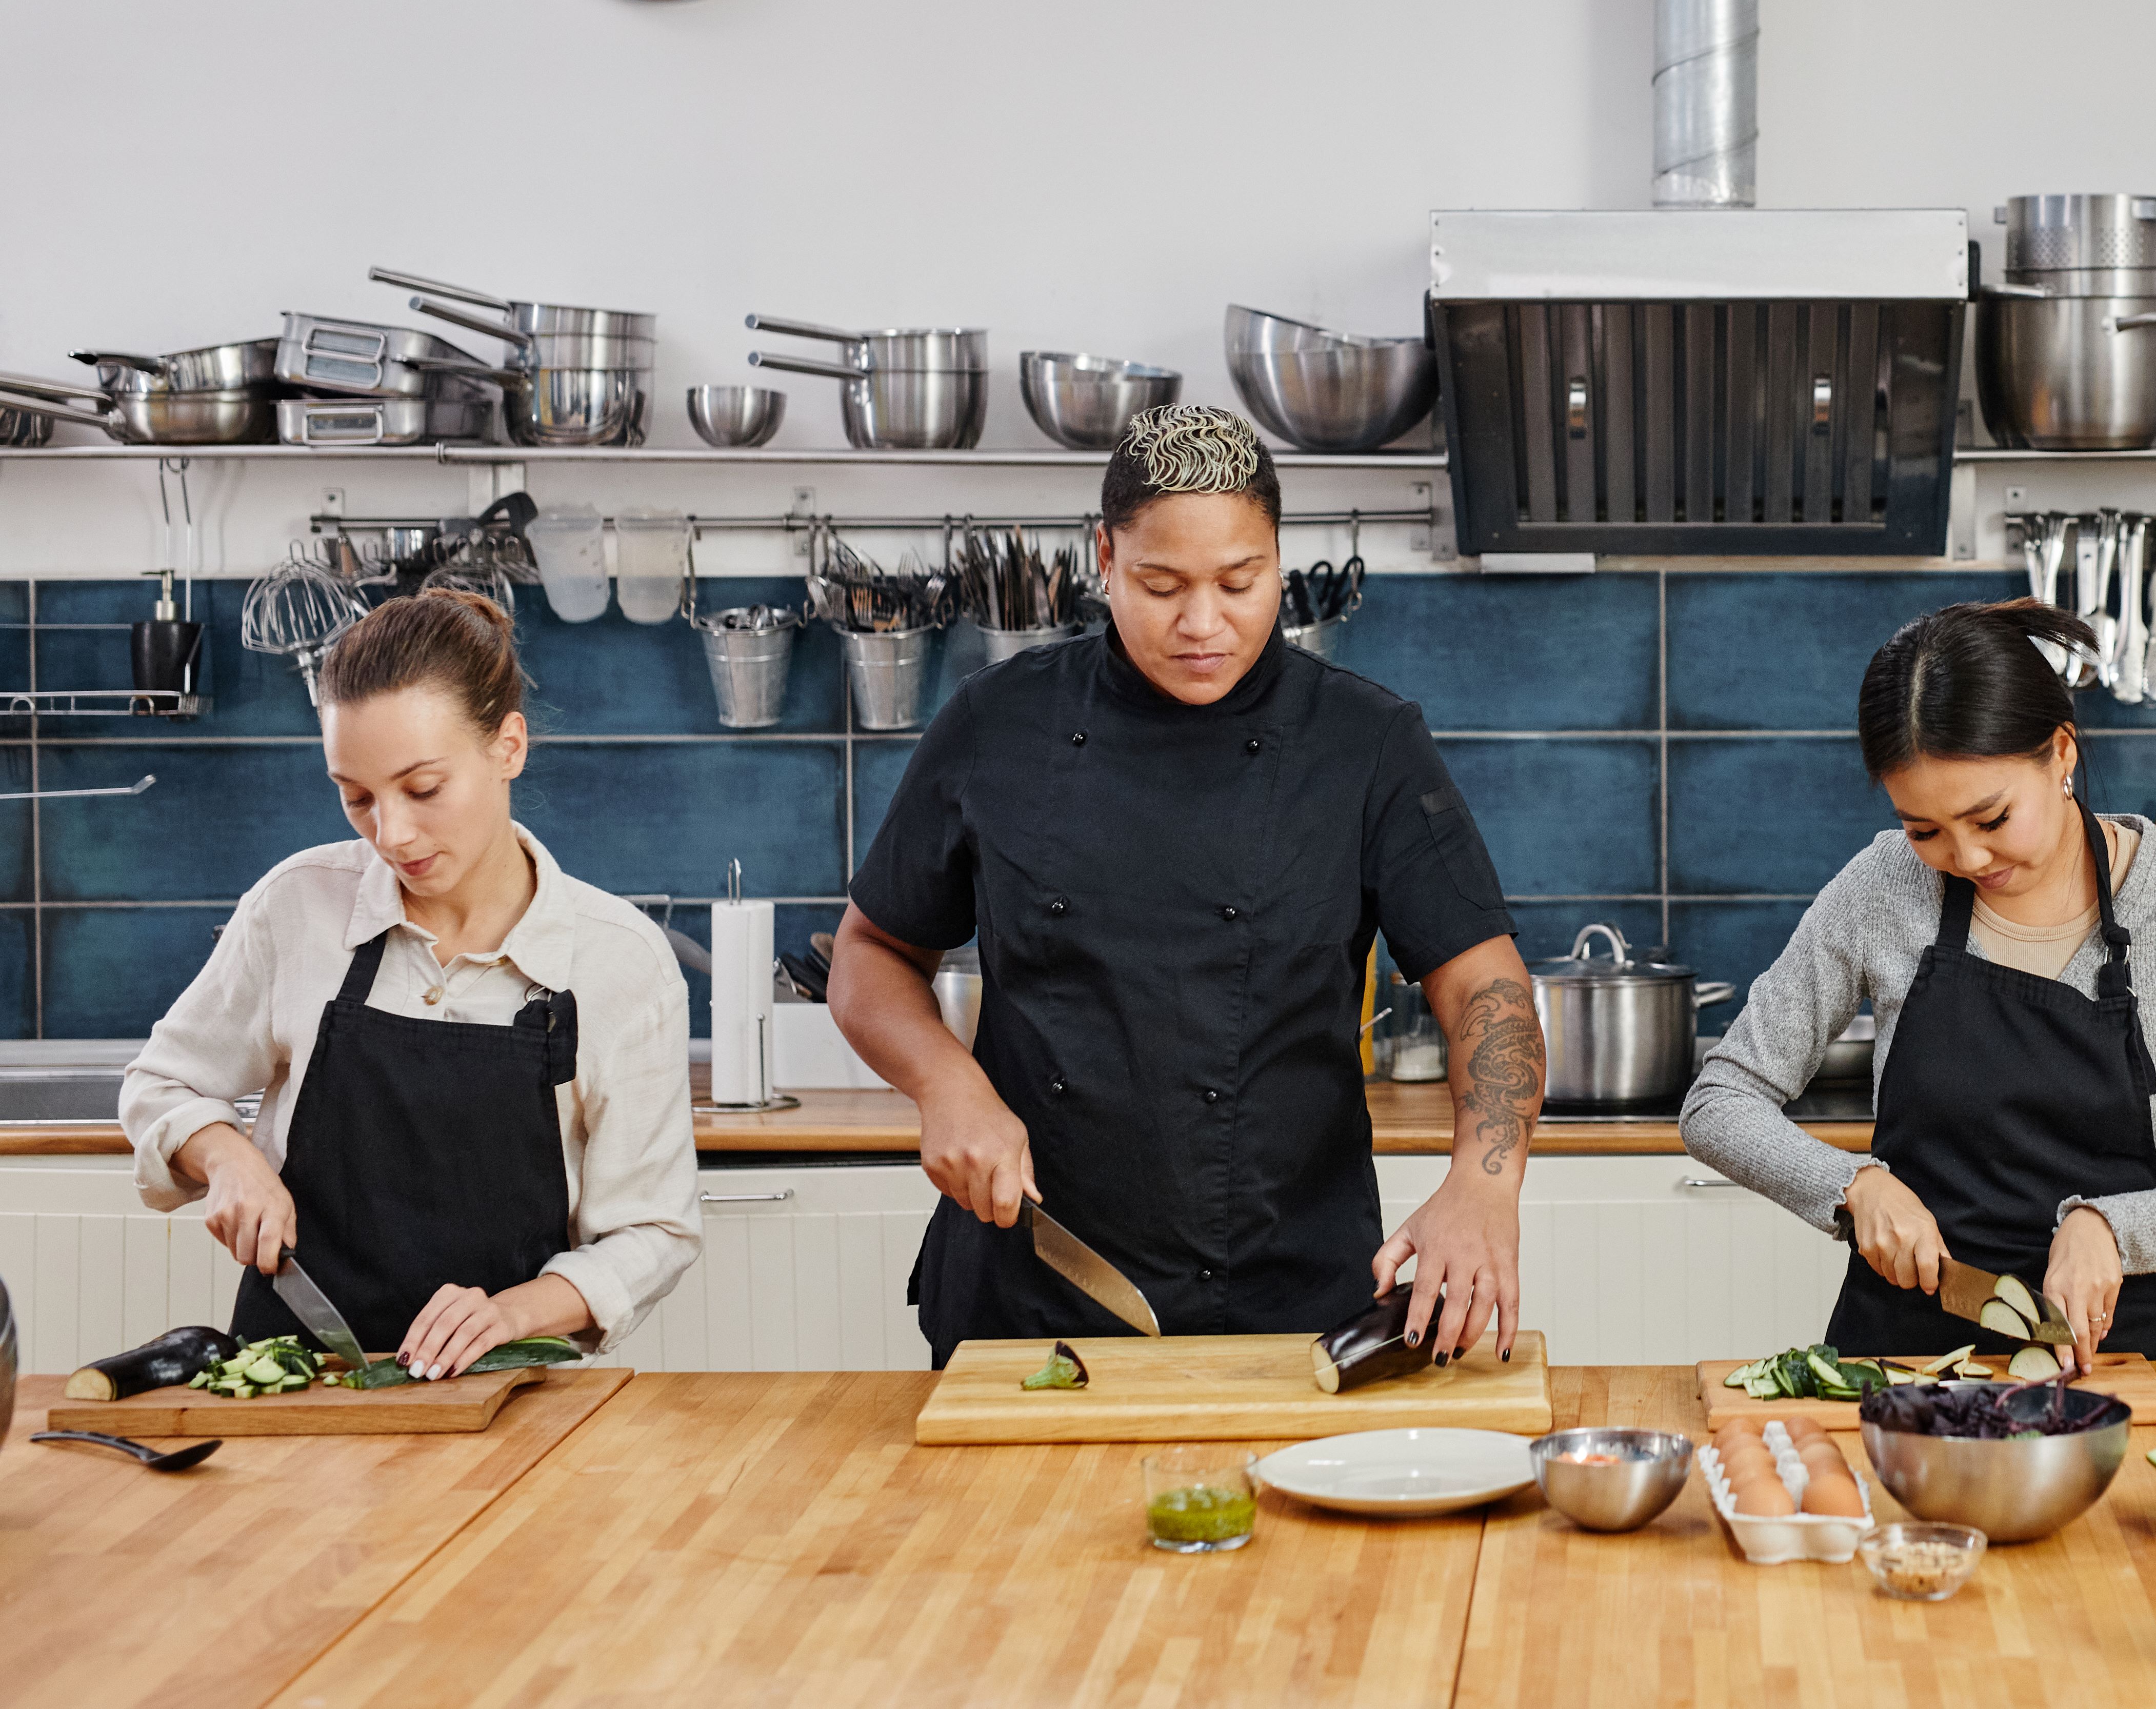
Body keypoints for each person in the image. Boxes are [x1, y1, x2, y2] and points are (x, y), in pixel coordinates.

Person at [834, 405, 1543, 1365]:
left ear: (1278, 559)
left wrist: (1484, 1183)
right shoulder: (999, 723)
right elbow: (871, 954)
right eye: (1161, 584)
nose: (1203, 624)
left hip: (1292, 1305)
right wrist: (945, 1083)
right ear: (1104, 558)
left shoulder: (1366, 744)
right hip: (1031, 1298)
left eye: (1239, 582)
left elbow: (1487, 988)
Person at [1681, 600, 2156, 1368]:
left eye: (1992, 818)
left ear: (2061, 754)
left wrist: (2110, 1228)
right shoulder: (1883, 886)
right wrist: (1853, 1186)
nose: (1966, 858)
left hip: (2115, 1362)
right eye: (1925, 829)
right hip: (1901, 1361)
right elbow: (1719, 1101)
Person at [121, 588, 703, 1373]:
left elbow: (653, 1232)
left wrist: (510, 1315)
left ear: (508, 748)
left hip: (509, 1400)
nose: (390, 835)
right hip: (297, 1391)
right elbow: (162, 1084)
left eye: (423, 789)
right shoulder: (297, 907)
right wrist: (224, 1155)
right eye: (356, 796)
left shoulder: (619, 962)